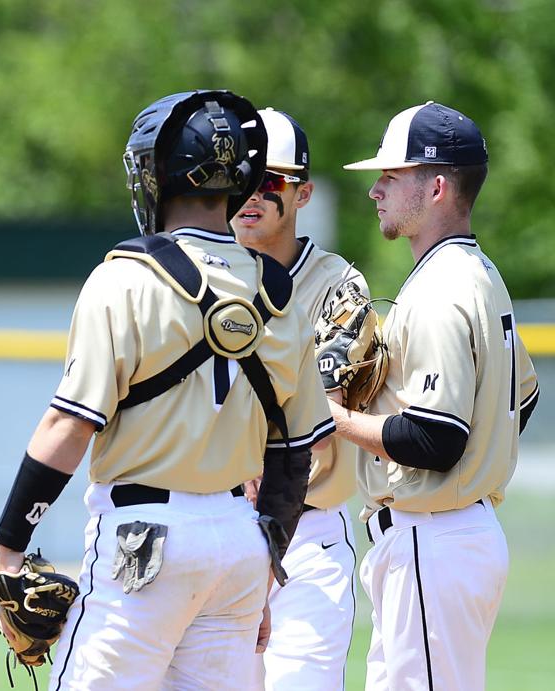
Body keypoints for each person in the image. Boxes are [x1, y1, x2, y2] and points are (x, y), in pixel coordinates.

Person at [0, 90, 335, 690]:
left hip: (143, 538)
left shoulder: (125, 277)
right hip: (238, 541)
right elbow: (293, 453)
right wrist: (265, 563)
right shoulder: (280, 291)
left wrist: (9, 547)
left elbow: (70, 425)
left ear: (160, 175)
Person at [335, 102, 539, 690]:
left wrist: (332, 416)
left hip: (435, 538)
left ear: (437, 187)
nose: (375, 190)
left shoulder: (439, 290)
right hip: (454, 535)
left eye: (391, 176)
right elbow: (519, 397)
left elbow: (435, 438)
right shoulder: (479, 275)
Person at [232, 108, 361, 689]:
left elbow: (317, 410)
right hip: (218, 522)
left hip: (306, 536)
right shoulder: (196, 273)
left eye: (270, 182)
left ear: (303, 192)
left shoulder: (339, 284)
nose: (251, 194)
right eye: (239, 177)